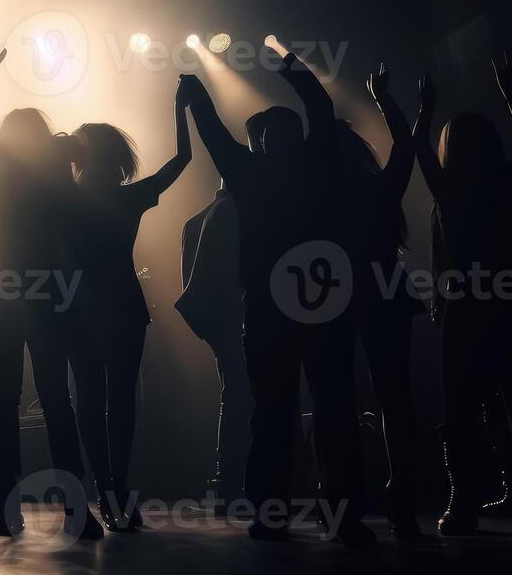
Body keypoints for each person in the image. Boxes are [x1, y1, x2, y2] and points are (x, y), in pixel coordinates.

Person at [183, 51, 374, 546]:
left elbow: (215, 136)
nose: (267, 140)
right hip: (325, 305)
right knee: (330, 409)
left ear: (268, 143)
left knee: (273, 411)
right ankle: (342, 516)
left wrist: (196, 91)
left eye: (269, 135)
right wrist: (288, 66)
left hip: (271, 309)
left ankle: (272, 514)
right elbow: (318, 104)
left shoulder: (250, 175)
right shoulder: (321, 165)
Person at [413, 57, 512, 535]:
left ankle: (464, 502)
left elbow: (418, 149)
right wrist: (510, 94)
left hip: (469, 303)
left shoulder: (452, 189)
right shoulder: (508, 181)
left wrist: (420, 107)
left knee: (462, 407)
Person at [0, 36, 101, 540]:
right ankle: (75, 504)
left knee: (6, 396)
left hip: (7, 290)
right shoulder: (54, 172)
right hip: (47, 293)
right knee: (54, 397)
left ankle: (7, 500)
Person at [66, 78, 191, 530]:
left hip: (78, 306)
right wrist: (181, 109)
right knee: (121, 400)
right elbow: (183, 160)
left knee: (90, 397)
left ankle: (106, 486)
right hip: (121, 303)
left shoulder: (66, 199)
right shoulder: (128, 197)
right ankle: (118, 486)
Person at [339, 64, 422, 538]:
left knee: (340, 397)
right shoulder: (377, 191)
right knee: (395, 396)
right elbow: (406, 150)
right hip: (386, 289)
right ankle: (402, 489)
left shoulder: (325, 199)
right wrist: (385, 99)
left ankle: (346, 495)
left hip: (338, 294)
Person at [173, 113, 268, 509]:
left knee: (236, 392)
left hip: (216, 320)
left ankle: (228, 477)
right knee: (246, 394)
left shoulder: (197, 220)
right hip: (238, 316)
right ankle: (236, 479)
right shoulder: (238, 213)